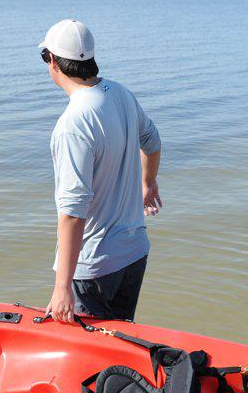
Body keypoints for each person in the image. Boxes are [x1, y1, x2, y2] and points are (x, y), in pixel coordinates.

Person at [39, 19, 162, 324]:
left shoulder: (73, 125)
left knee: (90, 358)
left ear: (53, 62)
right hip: (134, 252)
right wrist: (149, 183)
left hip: (94, 268)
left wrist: (62, 287)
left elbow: (72, 212)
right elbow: (153, 141)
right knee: (119, 345)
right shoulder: (120, 93)